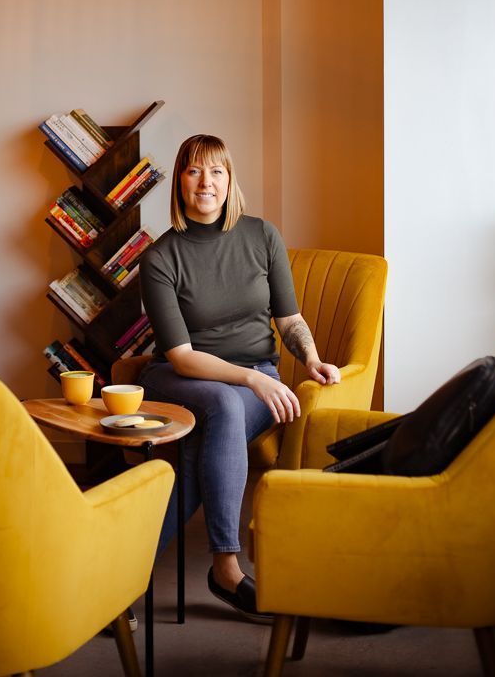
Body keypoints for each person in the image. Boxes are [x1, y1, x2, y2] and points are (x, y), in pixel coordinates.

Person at [138, 134, 340, 623]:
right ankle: (227, 567)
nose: (205, 182)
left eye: (216, 171)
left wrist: (310, 359)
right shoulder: (160, 257)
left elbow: (289, 321)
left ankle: (119, 573)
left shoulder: (262, 236)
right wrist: (253, 381)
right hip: (184, 378)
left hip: (255, 376)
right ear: (180, 182)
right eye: (193, 171)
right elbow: (183, 357)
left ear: (230, 180)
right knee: (224, 406)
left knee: (195, 455)